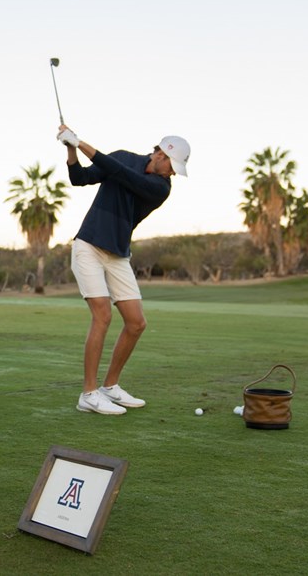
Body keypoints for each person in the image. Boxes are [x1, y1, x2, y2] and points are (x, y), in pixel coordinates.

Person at [56, 125, 190, 415]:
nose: (172, 173)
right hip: (88, 246)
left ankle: (110, 386)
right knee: (102, 315)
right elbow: (79, 178)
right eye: (171, 166)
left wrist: (81, 143)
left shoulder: (161, 188)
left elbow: (120, 174)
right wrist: (70, 148)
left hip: (117, 254)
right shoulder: (122, 158)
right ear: (160, 153)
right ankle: (88, 393)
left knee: (136, 322)